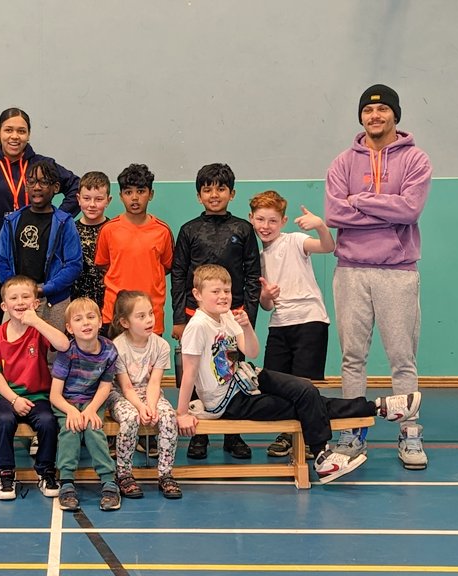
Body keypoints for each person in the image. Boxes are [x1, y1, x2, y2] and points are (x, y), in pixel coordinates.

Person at [175, 265, 423, 485]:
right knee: (302, 405)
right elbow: (190, 372)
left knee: (305, 390)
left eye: (226, 291)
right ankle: (368, 416)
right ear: (197, 295)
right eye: (215, 291)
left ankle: (372, 414)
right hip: (228, 400)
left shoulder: (228, 316)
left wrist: (246, 326)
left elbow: (250, 350)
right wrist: (182, 413)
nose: (223, 296)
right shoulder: (197, 326)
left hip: (249, 378)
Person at [325, 84, 431, 470]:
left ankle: (410, 433)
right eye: (368, 112)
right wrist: (385, 208)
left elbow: (410, 210)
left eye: (383, 110)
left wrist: (361, 200)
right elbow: (335, 214)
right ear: (361, 117)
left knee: (402, 359)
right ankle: (352, 433)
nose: (375, 117)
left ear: (395, 115)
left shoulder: (416, 160)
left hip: (397, 273)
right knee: (352, 358)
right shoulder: (341, 163)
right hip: (351, 270)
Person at [0, 107, 80, 328]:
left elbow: (76, 186)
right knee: (0, 317)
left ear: (29, 134)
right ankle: (1, 361)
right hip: (0, 254)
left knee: (45, 324)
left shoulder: (42, 164)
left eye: (21, 131)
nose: (15, 136)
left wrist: (59, 218)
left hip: (41, 254)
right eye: (9, 130)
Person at [171, 163, 261, 461]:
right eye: (207, 189)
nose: (214, 194)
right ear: (199, 196)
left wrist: (247, 318)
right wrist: (179, 319)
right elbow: (179, 274)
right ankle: (199, 435)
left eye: (220, 189)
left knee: (231, 375)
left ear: (231, 193)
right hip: (195, 314)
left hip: (232, 317)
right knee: (196, 374)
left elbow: (251, 276)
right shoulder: (188, 230)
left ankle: (233, 434)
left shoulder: (243, 229)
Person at [248, 190, 335, 458]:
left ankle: (311, 439)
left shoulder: (295, 241)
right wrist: (266, 297)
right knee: (277, 383)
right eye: (260, 219)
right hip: (279, 324)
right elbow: (266, 306)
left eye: (272, 221)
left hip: (309, 321)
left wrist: (320, 225)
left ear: (283, 221)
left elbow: (327, 247)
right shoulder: (258, 259)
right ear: (251, 218)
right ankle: (287, 434)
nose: (266, 226)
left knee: (305, 384)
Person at [0, 276, 70, 500]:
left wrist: (36, 322)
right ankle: (5, 473)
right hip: (6, 395)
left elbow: (64, 344)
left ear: (35, 303)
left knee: (48, 422)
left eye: (26, 297)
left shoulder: (39, 330)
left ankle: (45, 471)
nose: (20, 301)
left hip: (37, 394)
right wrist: (14, 399)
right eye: (14, 298)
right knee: (3, 421)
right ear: (4, 306)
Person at [0, 160, 82, 339]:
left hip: (53, 300)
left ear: (56, 187)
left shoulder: (65, 222)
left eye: (43, 182)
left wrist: (45, 289)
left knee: (52, 356)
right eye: (32, 182)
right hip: (18, 297)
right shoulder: (12, 221)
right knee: (12, 350)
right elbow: (0, 260)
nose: (36, 187)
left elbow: (74, 264)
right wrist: (16, 289)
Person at [50, 297, 122, 512]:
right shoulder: (66, 353)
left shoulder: (109, 350)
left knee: (93, 428)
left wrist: (91, 409)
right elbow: (55, 395)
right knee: (70, 430)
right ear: (69, 328)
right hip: (66, 401)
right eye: (79, 319)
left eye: (91, 317)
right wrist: (71, 411)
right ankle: (67, 482)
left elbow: (105, 386)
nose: (86, 323)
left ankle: (109, 481)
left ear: (100, 322)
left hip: (93, 401)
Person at [107, 291, 181, 500]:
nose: (149, 319)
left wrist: (150, 405)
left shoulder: (161, 345)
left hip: (149, 392)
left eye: (150, 313)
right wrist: (141, 408)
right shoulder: (117, 347)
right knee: (130, 418)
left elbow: (155, 382)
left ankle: (165, 474)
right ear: (125, 322)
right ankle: (124, 474)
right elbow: (126, 387)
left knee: (167, 417)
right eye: (141, 316)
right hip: (121, 394)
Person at [94, 163, 173, 334]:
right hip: (115, 313)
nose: (135, 198)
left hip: (150, 315)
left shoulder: (162, 231)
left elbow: (166, 266)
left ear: (150, 194)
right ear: (121, 196)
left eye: (141, 191)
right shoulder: (109, 229)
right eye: (128, 192)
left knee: (150, 362)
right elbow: (103, 265)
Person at [71, 171, 112, 308]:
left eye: (99, 199)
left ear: (108, 200)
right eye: (87, 198)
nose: (92, 204)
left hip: (108, 302)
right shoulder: (70, 230)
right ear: (78, 199)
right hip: (77, 302)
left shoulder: (114, 230)